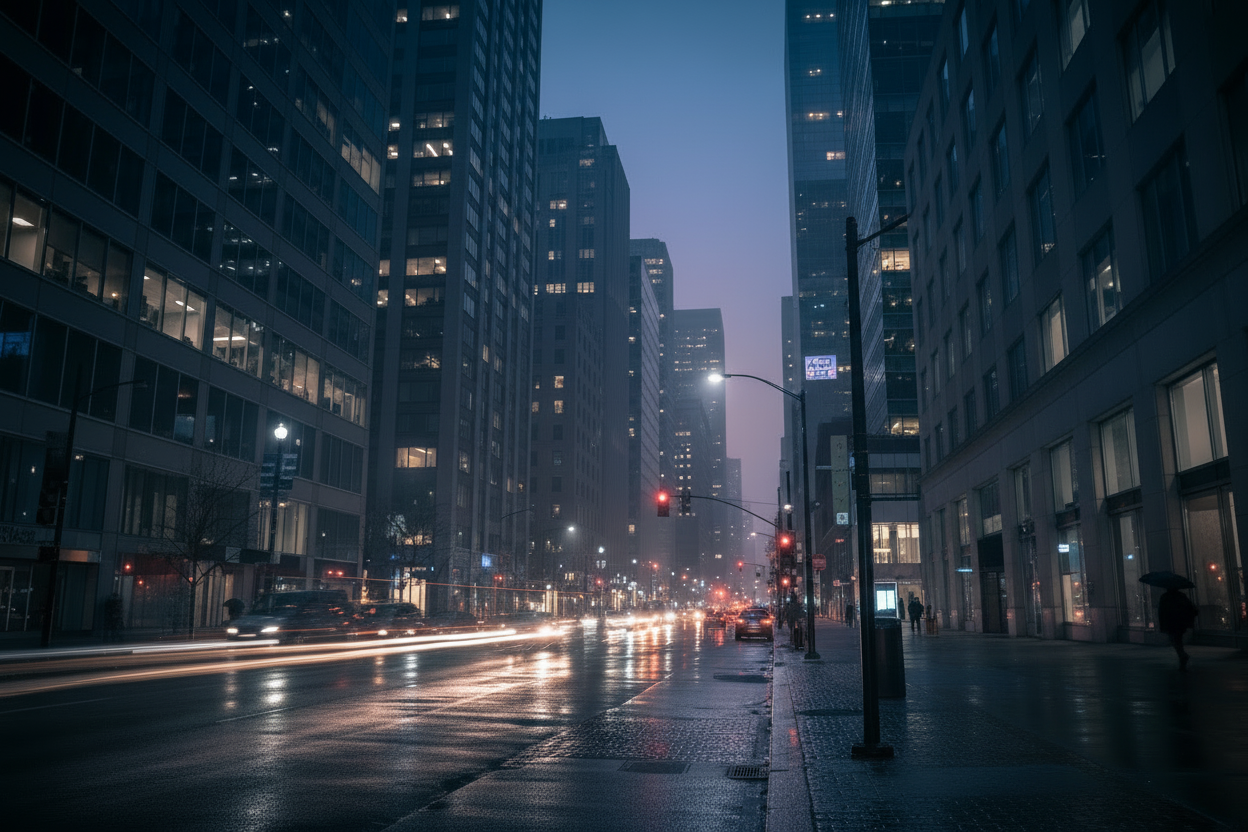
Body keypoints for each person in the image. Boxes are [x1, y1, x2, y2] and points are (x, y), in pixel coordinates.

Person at [1158, 586, 1199, 671]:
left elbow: (1162, 612)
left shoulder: (1165, 597)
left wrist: (1162, 625)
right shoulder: (1181, 596)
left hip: (1171, 622)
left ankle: (1182, 655)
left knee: (1174, 639)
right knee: (1177, 638)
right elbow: (1190, 607)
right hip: (1180, 622)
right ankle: (1182, 655)